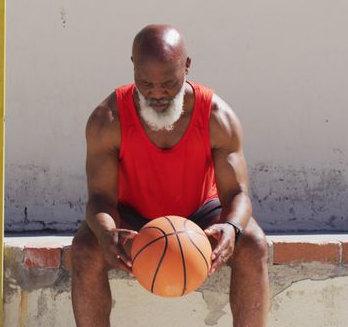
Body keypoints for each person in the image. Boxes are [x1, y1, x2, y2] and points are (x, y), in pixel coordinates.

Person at [71, 24, 269, 327]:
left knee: (253, 241)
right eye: (146, 83)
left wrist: (232, 228)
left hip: (200, 215)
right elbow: (99, 198)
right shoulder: (107, 119)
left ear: (187, 66)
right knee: (86, 247)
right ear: (133, 66)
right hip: (133, 218)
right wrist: (106, 233)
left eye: (168, 83)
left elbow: (238, 194)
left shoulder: (217, 116)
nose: (157, 94)